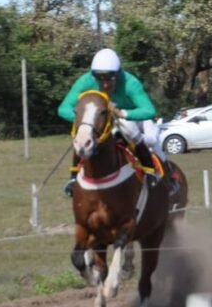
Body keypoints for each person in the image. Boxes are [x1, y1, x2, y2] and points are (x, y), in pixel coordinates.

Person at [57, 48, 175, 197]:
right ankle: (73, 177)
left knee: (143, 136)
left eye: (110, 79)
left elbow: (149, 110)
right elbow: (63, 109)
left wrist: (122, 114)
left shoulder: (130, 83)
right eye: (100, 79)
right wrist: (86, 120)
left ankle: (160, 174)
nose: (105, 84)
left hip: (135, 119)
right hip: (103, 120)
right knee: (83, 133)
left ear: (118, 74)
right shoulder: (85, 81)